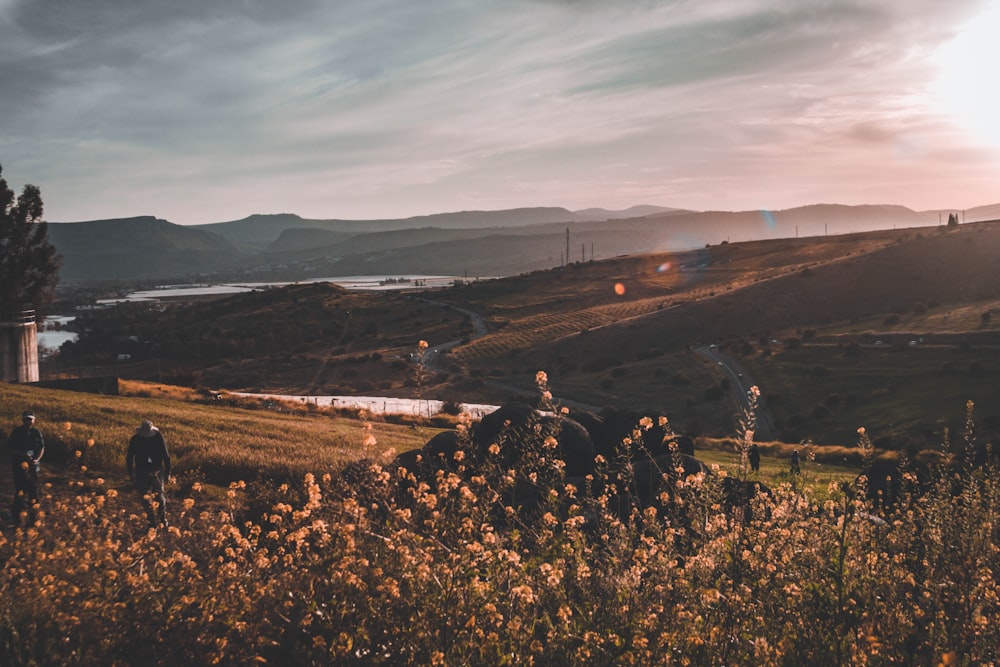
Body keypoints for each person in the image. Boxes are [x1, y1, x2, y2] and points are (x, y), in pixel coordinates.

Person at [126, 419, 171, 528]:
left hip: (149, 470)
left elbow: (129, 458)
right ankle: (157, 520)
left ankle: (158, 520)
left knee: (150, 496)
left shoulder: (138, 438)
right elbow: (166, 457)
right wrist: (167, 473)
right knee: (156, 496)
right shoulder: (156, 437)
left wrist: (131, 474)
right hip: (150, 469)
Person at [7, 410, 45, 525]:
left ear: (34, 420)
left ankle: (33, 518)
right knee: (20, 490)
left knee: (33, 491)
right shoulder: (16, 432)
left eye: (30, 419)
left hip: (33, 467)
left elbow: (41, 448)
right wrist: (23, 455)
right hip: (19, 466)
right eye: (26, 419)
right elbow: (10, 448)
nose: (28, 421)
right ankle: (16, 516)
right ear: (22, 420)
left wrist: (36, 459)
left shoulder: (36, 433)